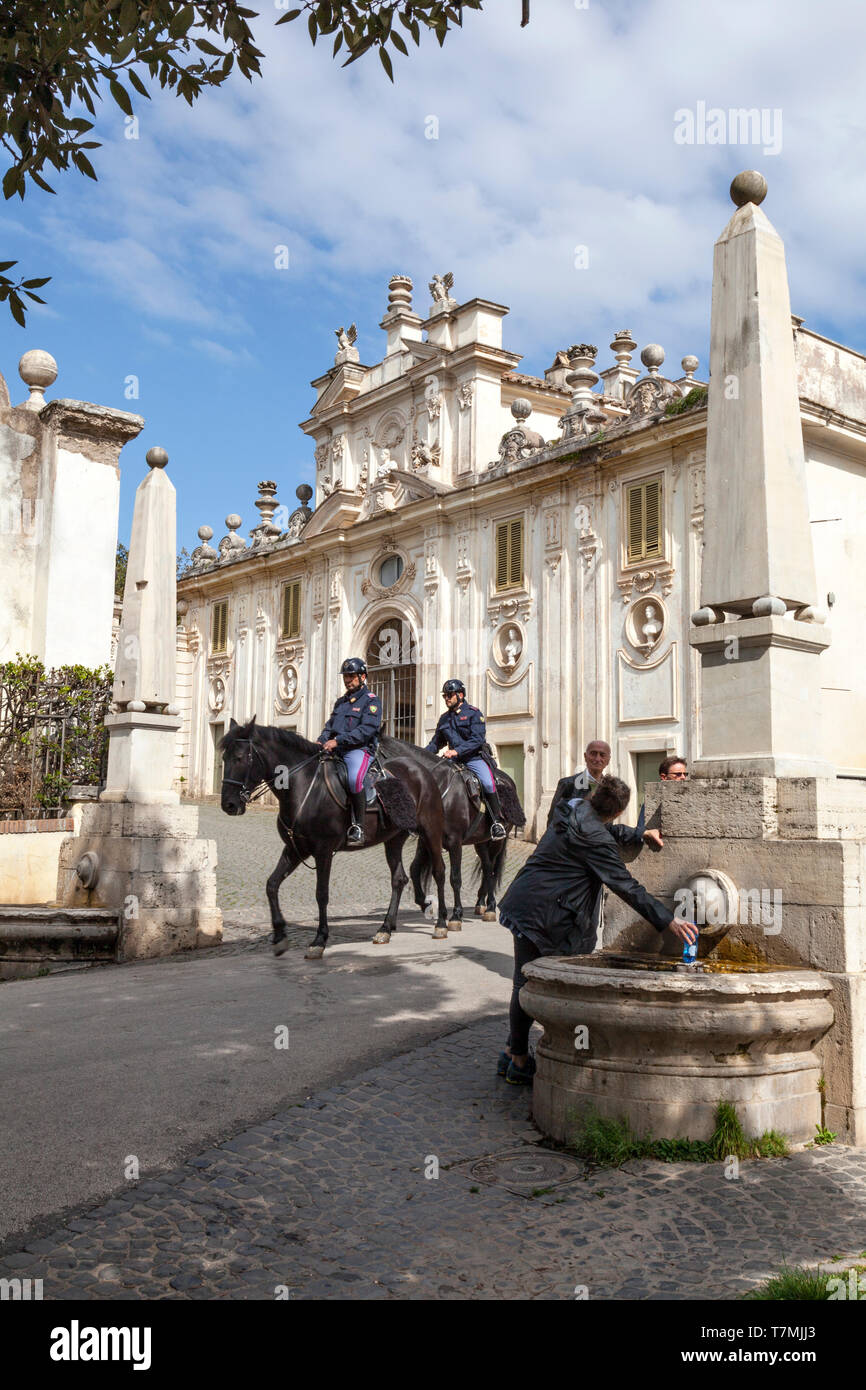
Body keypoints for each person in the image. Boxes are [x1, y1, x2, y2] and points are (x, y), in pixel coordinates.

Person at [497, 774, 697, 1084]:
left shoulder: (570, 808)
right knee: (542, 987)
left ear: (593, 797)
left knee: (520, 983)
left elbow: (602, 829)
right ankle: (528, 1059)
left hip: (523, 900)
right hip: (548, 915)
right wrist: (668, 920)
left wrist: (637, 833)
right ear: (618, 811)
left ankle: (513, 1053)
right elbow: (626, 886)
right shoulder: (597, 841)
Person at [425, 678, 506, 840]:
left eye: (450, 695)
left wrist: (456, 751)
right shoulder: (444, 719)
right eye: (445, 696)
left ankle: (497, 823)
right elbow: (436, 743)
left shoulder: (474, 713)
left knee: (488, 783)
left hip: (473, 759)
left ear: (460, 695)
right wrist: (421, 755)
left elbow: (477, 740)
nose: (446, 698)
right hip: (453, 762)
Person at [317, 657, 381, 845]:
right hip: (336, 749)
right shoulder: (340, 703)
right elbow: (329, 726)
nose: (347, 680)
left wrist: (338, 741)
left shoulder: (372, 701)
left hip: (359, 750)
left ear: (362, 677)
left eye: (351, 676)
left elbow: (366, 730)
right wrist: (321, 740)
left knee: (354, 778)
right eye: (345, 676)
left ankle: (358, 827)